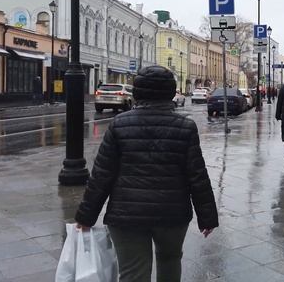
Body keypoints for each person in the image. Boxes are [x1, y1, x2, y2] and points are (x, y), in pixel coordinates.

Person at [75, 65, 219, 282]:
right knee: (170, 262)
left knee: (133, 273)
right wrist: (207, 216)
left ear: (137, 92)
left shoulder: (119, 125)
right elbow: (197, 175)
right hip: (172, 214)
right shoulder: (185, 127)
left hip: (126, 215)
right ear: (171, 92)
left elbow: (101, 175)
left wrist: (86, 217)